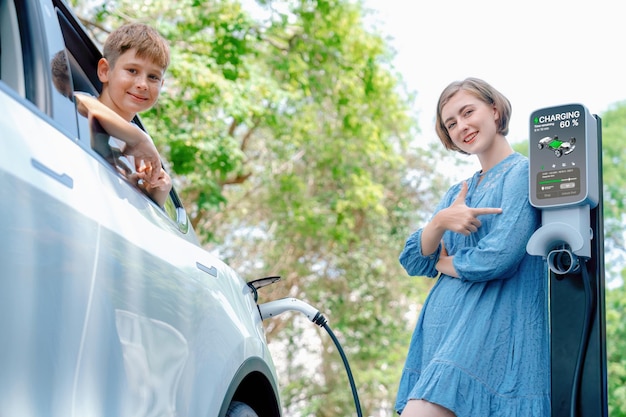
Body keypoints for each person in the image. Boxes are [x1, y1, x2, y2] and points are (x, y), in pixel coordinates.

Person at [394, 78, 550, 417]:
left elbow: (500, 255)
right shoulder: (456, 193)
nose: (461, 126)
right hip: (442, 335)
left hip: (488, 332)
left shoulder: (522, 173)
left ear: (494, 110)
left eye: (468, 112)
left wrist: (446, 265)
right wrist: (438, 223)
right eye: (451, 123)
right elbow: (414, 261)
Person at [74, 22, 172, 207]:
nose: (143, 84)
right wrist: (138, 138)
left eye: (153, 77)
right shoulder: (83, 107)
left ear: (161, 85)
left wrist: (157, 192)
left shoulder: (140, 155)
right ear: (105, 71)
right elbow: (80, 101)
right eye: (132, 71)